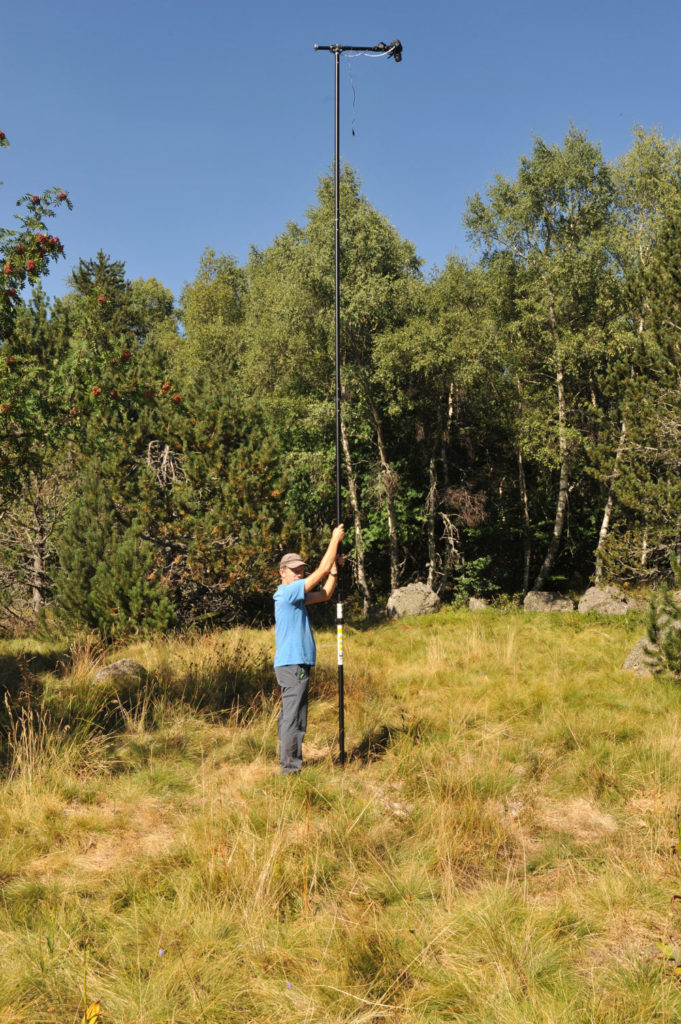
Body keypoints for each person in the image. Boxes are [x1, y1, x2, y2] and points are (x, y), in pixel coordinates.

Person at [273, 524, 345, 774]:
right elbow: (321, 570)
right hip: (292, 665)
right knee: (295, 718)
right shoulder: (287, 592)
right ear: (282, 572)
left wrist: (333, 573)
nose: (299, 574)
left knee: (291, 716)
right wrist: (334, 540)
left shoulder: (295, 596)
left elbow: (324, 594)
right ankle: (290, 769)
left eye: (301, 570)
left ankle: (288, 763)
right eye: (294, 571)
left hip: (294, 664)